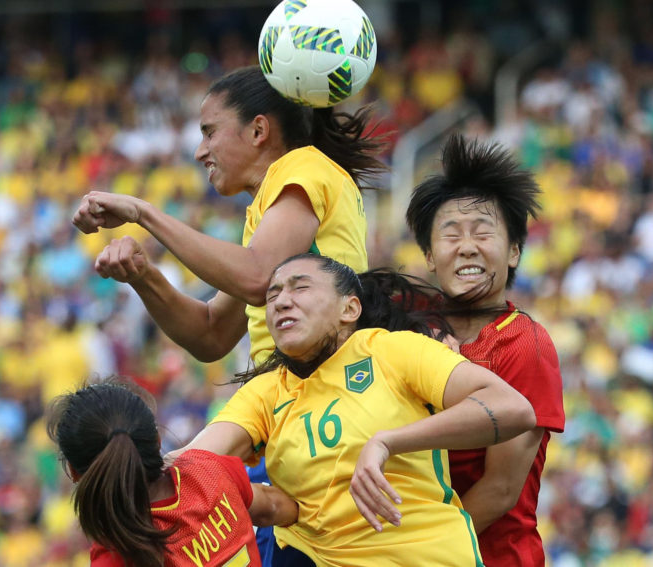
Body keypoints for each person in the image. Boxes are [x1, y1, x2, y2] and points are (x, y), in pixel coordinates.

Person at [175, 254, 537, 566]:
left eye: (300, 288)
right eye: (273, 295)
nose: (282, 302)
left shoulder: (392, 351)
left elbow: (512, 408)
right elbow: (190, 465)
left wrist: (388, 442)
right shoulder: (265, 393)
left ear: (349, 309)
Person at [71, 65, 384, 366]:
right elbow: (211, 334)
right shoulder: (271, 206)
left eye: (210, 132)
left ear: (258, 130)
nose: (200, 151)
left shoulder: (304, 168)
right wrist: (143, 276)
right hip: (286, 393)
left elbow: (258, 277)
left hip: (323, 391)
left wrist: (144, 213)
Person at [405, 133, 566, 566]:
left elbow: (499, 490)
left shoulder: (525, 344)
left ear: (513, 252)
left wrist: (414, 556)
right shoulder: (405, 329)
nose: (467, 246)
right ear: (428, 255)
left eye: (483, 233)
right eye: (450, 234)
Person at [46, 378, 298, 567]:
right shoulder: (208, 470)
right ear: (157, 439)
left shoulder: (116, 552)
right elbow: (276, 507)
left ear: (74, 473)